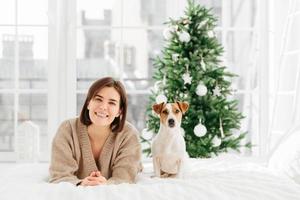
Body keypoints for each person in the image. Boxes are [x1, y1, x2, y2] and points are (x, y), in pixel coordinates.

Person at [49, 77, 142, 186]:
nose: (103, 107)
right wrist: (81, 183)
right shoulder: (67, 129)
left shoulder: (129, 135)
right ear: (89, 103)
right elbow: (60, 176)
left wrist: (105, 185)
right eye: (98, 99)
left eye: (112, 103)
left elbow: (124, 179)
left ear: (119, 111)